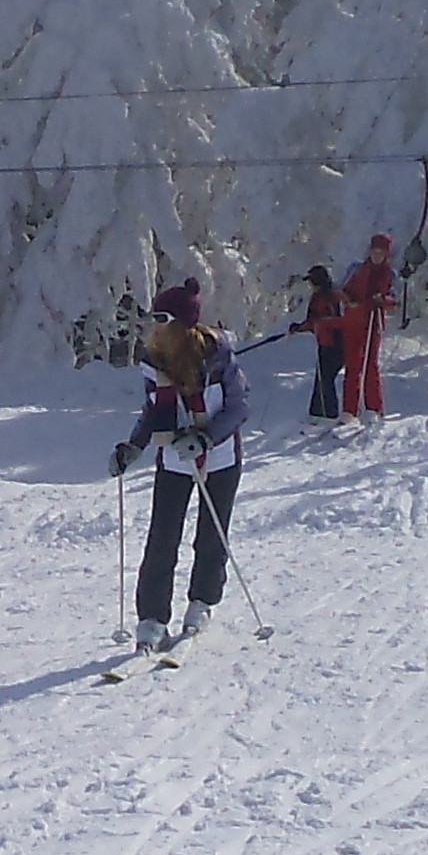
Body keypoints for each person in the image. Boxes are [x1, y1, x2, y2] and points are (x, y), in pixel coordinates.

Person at [109, 281, 247, 655]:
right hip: (173, 460)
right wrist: (132, 447)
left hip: (219, 459)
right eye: (153, 318)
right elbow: (154, 411)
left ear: (184, 324)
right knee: (162, 538)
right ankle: (152, 619)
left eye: (163, 319)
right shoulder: (155, 360)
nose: (155, 327)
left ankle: (202, 603)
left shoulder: (218, 357)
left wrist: (205, 439)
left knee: (210, 535)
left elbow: (238, 408)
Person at [337, 232, 399, 423]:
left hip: (373, 320)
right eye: (375, 251)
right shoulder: (357, 269)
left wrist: (383, 300)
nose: (377, 256)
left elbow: (394, 298)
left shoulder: (389, 274)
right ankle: (349, 411)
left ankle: (373, 408)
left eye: (381, 253)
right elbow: (341, 290)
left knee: (370, 363)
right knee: (353, 364)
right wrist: (349, 301)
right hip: (354, 320)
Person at [290, 265, 347, 423]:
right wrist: (299, 328)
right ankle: (318, 415)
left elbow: (337, 320)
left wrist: (321, 323)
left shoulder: (332, 296)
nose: (311, 285)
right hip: (325, 343)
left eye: (312, 282)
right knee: (322, 379)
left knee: (325, 380)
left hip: (335, 343)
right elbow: (313, 321)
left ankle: (328, 415)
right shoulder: (319, 297)